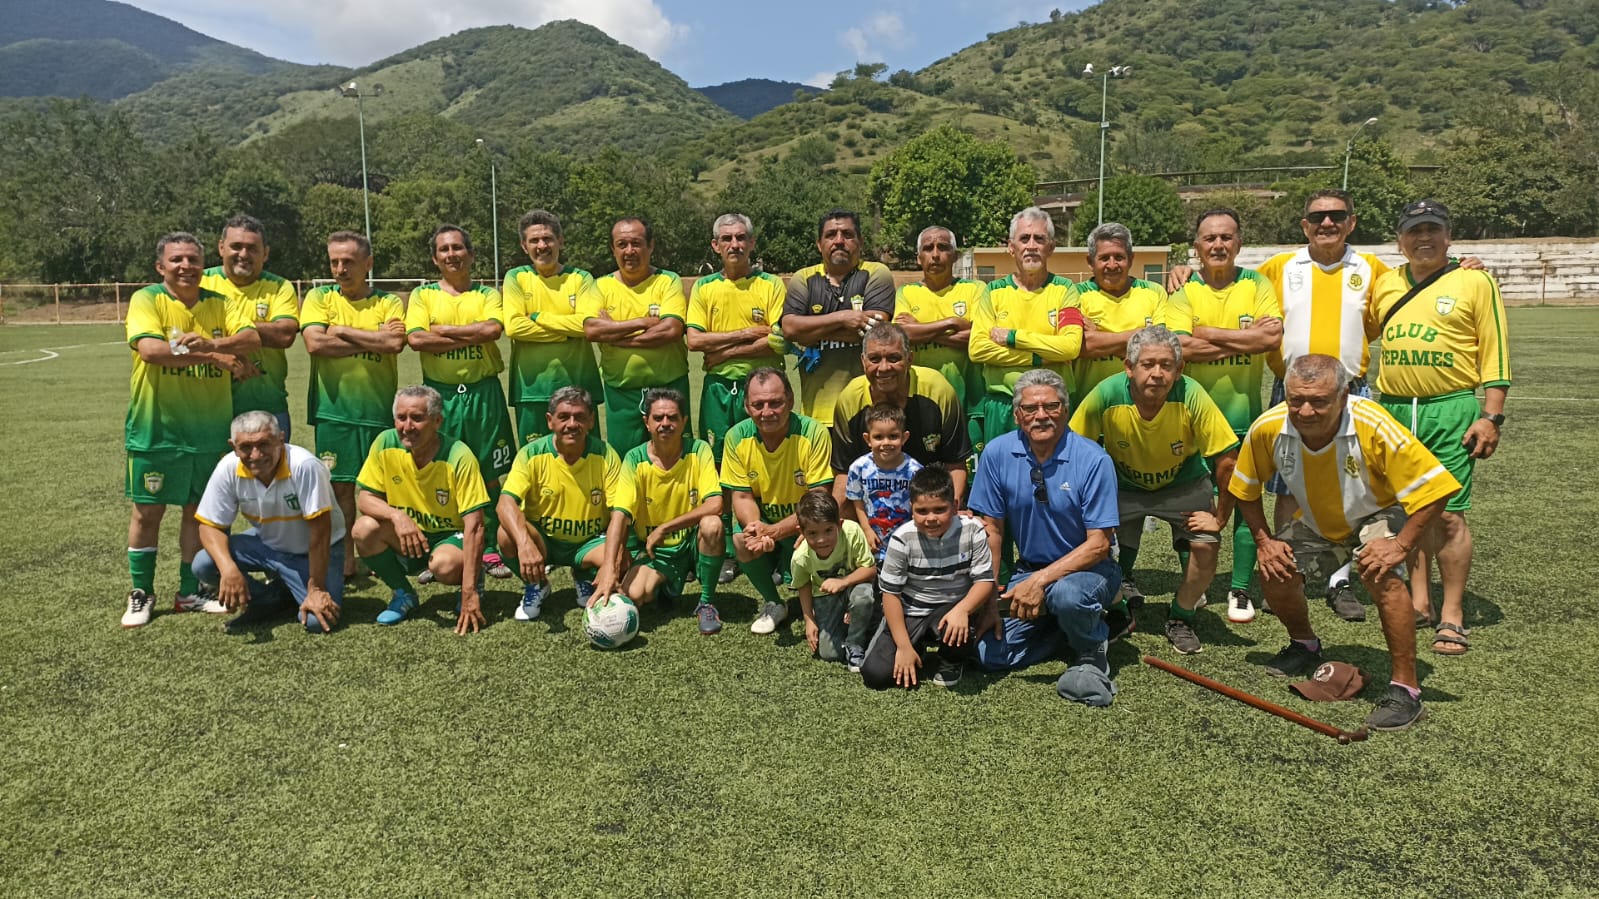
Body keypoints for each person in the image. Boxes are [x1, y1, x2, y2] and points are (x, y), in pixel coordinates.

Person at [1229, 354, 1462, 731]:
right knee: (1275, 571)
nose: (1305, 411)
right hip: (1320, 519)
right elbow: (1244, 486)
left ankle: (1406, 689)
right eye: (1296, 400)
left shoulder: (1373, 423)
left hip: (1378, 511)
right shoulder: (1269, 427)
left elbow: (1436, 489)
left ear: (1344, 395)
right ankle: (1304, 645)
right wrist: (1264, 541)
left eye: (1319, 401)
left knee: (1380, 573)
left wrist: (1400, 546)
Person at [1367, 198, 1511, 656]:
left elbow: (1495, 349)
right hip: (1393, 410)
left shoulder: (1474, 280)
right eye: (1414, 231)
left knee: (1447, 514)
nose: (1423, 238)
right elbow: (1361, 330)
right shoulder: (1386, 283)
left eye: (1432, 229)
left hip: (1448, 409)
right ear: (1400, 240)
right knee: (1405, 512)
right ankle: (1420, 601)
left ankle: (1452, 614)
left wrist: (1491, 415)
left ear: (1448, 236)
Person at [1069, 326, 1240, 655]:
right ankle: (1118, 610)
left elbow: (1228, 460)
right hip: (1123, 486)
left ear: (1180, 369)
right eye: (1148, 364)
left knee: (1206, 546)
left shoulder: (1192, 395)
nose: (1157, 373)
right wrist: (1082, 506)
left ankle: (1181, 616)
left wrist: (1219, 518)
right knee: (1090, 543)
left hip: (1184, 484)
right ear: (1129, 367)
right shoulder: (1105, 394)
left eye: (1166, 365)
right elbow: (1074, 451)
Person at [121, 232, 262, 627]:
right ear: (160, 266)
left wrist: (215, 345)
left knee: (197, 513)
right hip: (156, 429)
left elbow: (251, 338)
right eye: (177, 260)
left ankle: (188, 592)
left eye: (193, 259)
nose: (186, 266)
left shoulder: (221, 301)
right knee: (147, 513)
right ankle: (141, 593)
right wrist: (214, 354)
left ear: (204, 264)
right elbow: (151, 350)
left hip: (208, 430)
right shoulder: (147, 299)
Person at [968, 369, 1123, 706]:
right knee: (987, 655)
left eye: (1051, 406)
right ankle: (1065, 627)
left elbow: (1099, 544)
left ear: (1065, 410)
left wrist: (1040, 582)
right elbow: (993, 530)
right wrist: (990, 600)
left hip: (1090, 571)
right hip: (1030, 568)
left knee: (1068, 595)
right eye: (1030, 408)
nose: (1041, 416)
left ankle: (1091, 648)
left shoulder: (1094, 460)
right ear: (1016, 415)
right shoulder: (996, 453)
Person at [1166, 207, 1283, 624]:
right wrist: (1245, 339)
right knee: (1193, 503)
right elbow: (1180, 347)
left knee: (1247, 501)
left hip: (1244, 416)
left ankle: (1239, 588)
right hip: (1193, 419)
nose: (1218, 245)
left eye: (1226, 237)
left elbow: (1271, 337)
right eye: (1210, 238)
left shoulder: (1257, 284)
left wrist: (1208, 333)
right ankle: (1194, 585)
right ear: (1196, 246)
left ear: (1239, 243)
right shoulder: (1184, 290)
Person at [404, 224, 517, 579]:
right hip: (441, 395)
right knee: (442, 468)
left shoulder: (486, 294)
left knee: (491, 472)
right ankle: (446, 546)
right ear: (435, 258)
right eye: (444, 249)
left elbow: (492, 330)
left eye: (458, 248)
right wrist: (470, 333)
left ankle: (491, 548)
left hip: (483, 392)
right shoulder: (423, 295)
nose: (452, 254)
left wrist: (442, 331)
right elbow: (416, 339)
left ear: (471, 253)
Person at [299, 230, 406, 579]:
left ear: (368, 263)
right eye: (334, 262)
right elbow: (315, 345)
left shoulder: (388, 302)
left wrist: (341, 331)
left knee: (383, 489)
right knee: (340, 490)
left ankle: (384, 554)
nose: (340, 269)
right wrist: (374, 339)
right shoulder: (319, 297)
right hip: (334, 412)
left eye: (349, 261)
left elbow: (394, 344)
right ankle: (346, 560)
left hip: (378, 411)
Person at [350, 386, 490, 634]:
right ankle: (403, 594)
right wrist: (397, 516)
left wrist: (469, 592)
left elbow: (475, 526)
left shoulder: (459, 456)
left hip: (450, 538)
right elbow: (365, 499)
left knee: (444, 566)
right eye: (401, 418)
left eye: (417, 418)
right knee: (363, 529)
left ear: (437, 421)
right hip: (409, 535)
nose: (407, 426)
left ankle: (473, 581)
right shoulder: (385, 442)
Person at [193, 412, 345, 634]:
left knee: (318, 622)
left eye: (264, 444)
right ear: (233, 446)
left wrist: (316, 589)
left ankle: (289, 590)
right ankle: (268, 599)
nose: (256, 455)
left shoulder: (304, 465)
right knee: (204, 564)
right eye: (246, 447)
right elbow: (209, 526)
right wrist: (228, 569)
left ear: (281, 439)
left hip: (316, 550)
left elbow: (320, 532)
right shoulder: (227, 468)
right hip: (268, 545)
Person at [719, 367, 834, 635]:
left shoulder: (813, 432)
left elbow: (818, 499)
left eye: (775, 403)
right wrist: (757, 529)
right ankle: (774, 602)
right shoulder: (736, 437)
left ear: (790, 400)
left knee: (823, 534)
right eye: (758, 405)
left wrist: (774, 531)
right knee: (741, 540)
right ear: (746, 406)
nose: (767, 412)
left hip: (805, 527)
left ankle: (820, 595)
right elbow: (741, 497)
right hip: (768, 525)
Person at [862, 466, 996, 690]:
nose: (931, 518)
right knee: (876, 675)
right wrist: (903, 646)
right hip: (911, 610)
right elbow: (891, 595)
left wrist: (963, 610)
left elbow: (984, 581)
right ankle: (914, 646)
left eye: (940, 509)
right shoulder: (901, 539)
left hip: (952, 608)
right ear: (911, 509)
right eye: (922, 511)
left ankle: (951, 659)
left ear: (955, 506)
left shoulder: (973, 530)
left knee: (959, 622)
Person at [496, 386, 623, 620]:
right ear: (549, 420)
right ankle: (537, 584)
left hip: (588, 542)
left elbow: (619, 513)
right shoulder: (532, 453)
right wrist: (524, 543)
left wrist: (611, 565)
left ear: (591, 421)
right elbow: (505, 503)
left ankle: (585, 575)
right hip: (544, 541)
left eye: (580, 417)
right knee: (506, 535)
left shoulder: (605, 454)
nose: (572, 424)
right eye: (564, 417)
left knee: (620, 557)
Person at [969, 206, 1087, 449]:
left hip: (1052, 407)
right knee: (1004, 472)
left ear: (1051, 247)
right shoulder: (993, 291)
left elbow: (1070, 347)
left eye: (1039, 239)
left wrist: (1014, 337)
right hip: (1003, 404)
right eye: (1024, 238)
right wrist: (1037, 357)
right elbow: (978, 349)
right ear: (1011, 247)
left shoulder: (1066, 290)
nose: (1031, 246)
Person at [612, 388, 728, 635]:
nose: (665, 423)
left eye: (672, 417)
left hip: (692, 543)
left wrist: (665, 527)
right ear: (647, 422)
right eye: (658, 418)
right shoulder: (634, 459)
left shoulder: (698, 450)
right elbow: (620, 515)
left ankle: (706, 602)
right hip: (657, 550)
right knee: (635, 594)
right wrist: (611, 567)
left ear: (683, 421)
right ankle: (667, 586)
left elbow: (716, 504)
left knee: (712, 525)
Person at [829, 323, 970, 503]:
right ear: (863, 361)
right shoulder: (849, 400)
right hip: (873, 509)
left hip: (930, 505)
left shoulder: (938, 390)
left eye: (894, 358)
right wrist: (836, 517)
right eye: (874, 359)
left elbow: (955, 465)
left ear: (910, 359)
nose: (884, 368)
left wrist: (948, 510)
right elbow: (844, 474)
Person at [685, 213, 787, 460]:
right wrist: (748, 333)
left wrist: (726, 353)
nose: (734, 245)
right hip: (718, 387)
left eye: (741, 238)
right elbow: (695, 341)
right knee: (717, 459)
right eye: (727, 239)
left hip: (763, 388)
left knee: (764, 456)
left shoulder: (771, 284)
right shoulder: (704, 287)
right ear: (715, 245)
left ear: (752, 242)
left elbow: (778, 341)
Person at [781, 209, 894, 426]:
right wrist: (843, 318)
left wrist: (809, 333)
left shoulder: (876, 273)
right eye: (831, 235)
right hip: (817, 412)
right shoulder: (803, 278)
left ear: (860, 241)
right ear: (819, 244)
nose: (839, 241)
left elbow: (876, 332)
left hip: (870, 409)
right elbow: (790, 328)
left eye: (848, 235)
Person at [585, 217, 689, 453]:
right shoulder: (600, 286)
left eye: (636, 243)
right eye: (622, 244)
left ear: (650, 246)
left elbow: (671, 330)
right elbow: (592, 330)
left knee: (676, 457)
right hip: (621, 392)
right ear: (613, 249)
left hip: (670, 388)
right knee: (625, 461)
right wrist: (642, 322)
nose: (629, 251)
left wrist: (616, 334)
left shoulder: (668, 280)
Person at [501, 209, 604, 444]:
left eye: (547, 238)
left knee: (585, 457)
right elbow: (514, 327)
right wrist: (566, 333)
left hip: (579, 387)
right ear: (524, 246)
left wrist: (538, 317)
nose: (542, 246)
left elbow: (587, 326)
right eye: (534, 240)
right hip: (531, 390)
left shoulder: (581, 278)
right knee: (535, 458)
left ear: (560, 241)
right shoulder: (515, 277)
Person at [201, 214, 299, 437]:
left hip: (267, 405)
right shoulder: (200, 282)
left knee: (272, 461)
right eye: (236, 246)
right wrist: (239, 343)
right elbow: (182, 336)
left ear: (265, 253)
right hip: (207, 407)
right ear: (221, 248)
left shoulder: (279, 286)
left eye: (252, 248)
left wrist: (220, 332)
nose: (243, 254)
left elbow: (284, 335)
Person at [893, 225, 984, 447]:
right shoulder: (907, 293)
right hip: (921, 401)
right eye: (928, 248)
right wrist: (951, 323)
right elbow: (902, 335)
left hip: (969, 402)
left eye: (943, 247)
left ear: (954, 256)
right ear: (918, 258)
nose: (935, 254)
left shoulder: (975, 289)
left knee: (968, 466)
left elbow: (978, 338)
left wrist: (921, 330)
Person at [1075, 221, 1171, 399]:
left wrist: (1099, 337)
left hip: (1143, 403)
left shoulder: (1154, 292)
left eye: (1119, 257)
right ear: (1090, 261)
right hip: (1090, 401)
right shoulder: (1075, 295)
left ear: (1131, 259)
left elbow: (1160, 348)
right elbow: (1077, 347)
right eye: (1104, 258)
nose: (1112, 265)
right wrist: (1141, 336)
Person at [791, 492, 878, 672]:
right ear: (801, 531)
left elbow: (870, 569)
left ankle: (855, 643)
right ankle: (856, 624)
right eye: (812, 533)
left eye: (828, 530)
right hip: (824, 596)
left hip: (853, 585)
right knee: (829, 653)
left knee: (863, 597)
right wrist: (809, 620)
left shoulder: (852, 531)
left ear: (839, 524)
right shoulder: (800, 558)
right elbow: (803, 585)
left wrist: (844, 581)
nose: (821, 539)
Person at [844, 403, 923, 562]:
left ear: (904, 437)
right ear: (868, 439)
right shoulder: (859, 468)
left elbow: (921, 505)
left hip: (907, 542)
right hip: (874, 542)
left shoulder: (915, 470)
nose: (886, 442)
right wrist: (866, 529)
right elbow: (857, 501)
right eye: (878, 437)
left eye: (893, 436)